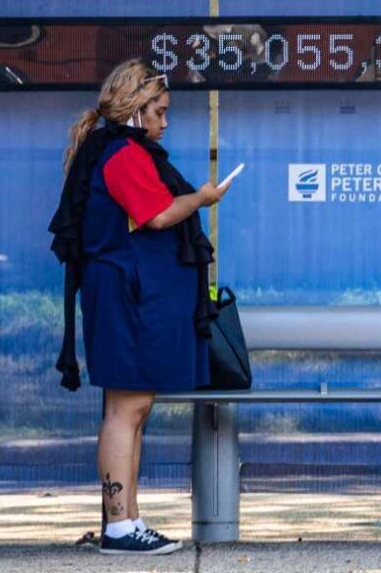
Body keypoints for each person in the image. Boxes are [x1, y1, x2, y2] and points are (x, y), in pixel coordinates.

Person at [49, 59, 230, 555]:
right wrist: (203, 198)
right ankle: (120, 524)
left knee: (131, 407)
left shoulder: (112, 151)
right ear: (135, 110)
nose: (165, 123)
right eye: (160, 112)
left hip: (123, 294)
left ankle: (126, 520)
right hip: (126, 297)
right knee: (126, 409)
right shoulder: (124, 154)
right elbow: (158, 214)